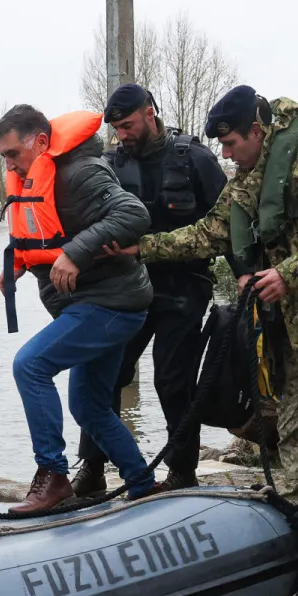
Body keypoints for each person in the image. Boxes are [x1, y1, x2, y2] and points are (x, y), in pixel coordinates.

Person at [111, 86, 298, 568]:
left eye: (232, 144)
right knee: (295, 425)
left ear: (257, 131)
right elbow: (207, 233)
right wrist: (141, 248)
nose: (227, 155)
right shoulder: (248, 182)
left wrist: (287, 273)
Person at [0, 103, 157, 514]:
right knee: (88, 406)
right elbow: (40, 234)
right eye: (5, 157)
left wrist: (76, 254)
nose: (10, 164)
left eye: (14, 154)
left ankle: (53, 476)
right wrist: (14, 266)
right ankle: (142, 484)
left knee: (29, 366)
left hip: (113, 303)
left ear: (42, 142)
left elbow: (134, 213)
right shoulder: (30, 179)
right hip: (88, 304)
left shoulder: (80, 173)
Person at [69, 83, 228, 497]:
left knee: (173, 381)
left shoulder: (194, 159)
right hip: (125, 290)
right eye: (117, 129)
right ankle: (92, 467)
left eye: (129, 125)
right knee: (105, 376)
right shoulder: (109, 165)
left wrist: (249, 275)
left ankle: (181, 470)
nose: (123, 134)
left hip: (183, 289)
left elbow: (230, 223)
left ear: (150, 112)